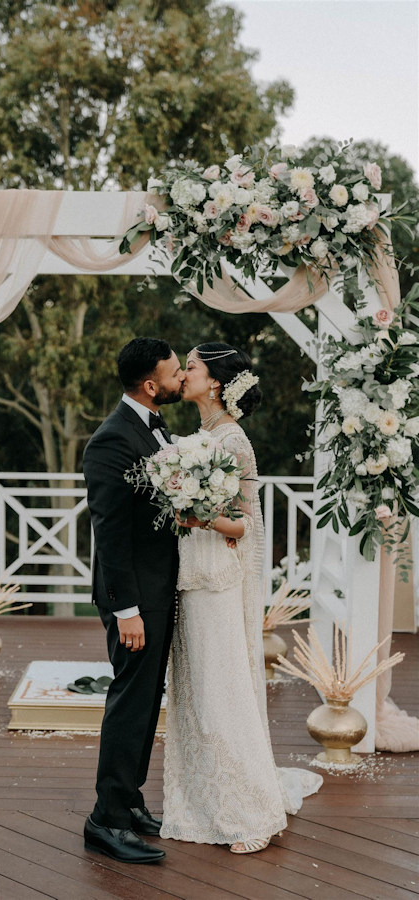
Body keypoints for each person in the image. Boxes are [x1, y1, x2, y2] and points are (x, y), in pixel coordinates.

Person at [160, 342, 322, 854]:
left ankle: (249, 811)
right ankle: (203, 796)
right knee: (198, 688)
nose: (182, 374)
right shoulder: (202, 437)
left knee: (221, 685)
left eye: (191, 368)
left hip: (217, 579)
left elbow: (242, 523)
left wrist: (194, 513)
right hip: (195, 573)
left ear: (216, 383)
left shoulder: (231, 441)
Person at [82, 337, 185, 864]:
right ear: (150, 386)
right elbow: (110, 531)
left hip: (158, 588)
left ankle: (131, 801)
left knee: (147, 702)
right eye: (174, 372)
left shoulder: (153, 427)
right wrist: (126, 611)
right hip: (134, 599)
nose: (181, 378)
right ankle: (106, 820)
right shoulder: (110, 441)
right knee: (130, 701)